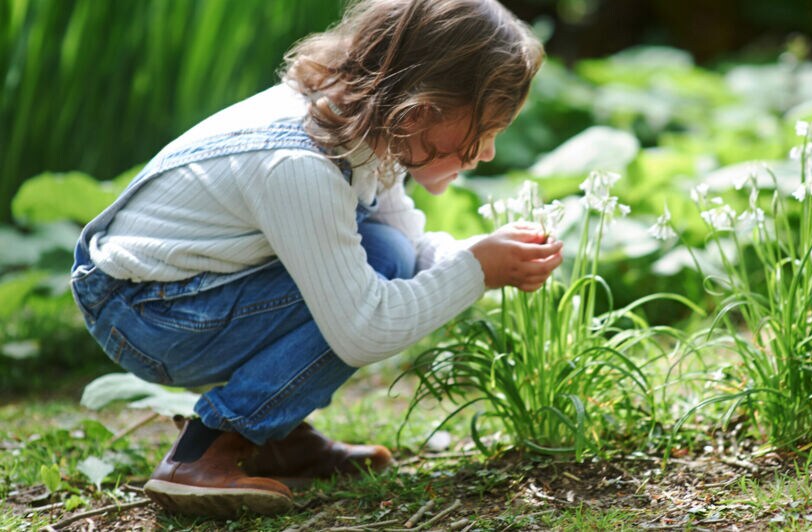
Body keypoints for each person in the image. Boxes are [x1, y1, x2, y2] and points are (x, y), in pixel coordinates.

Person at [70, 0, 561, 517]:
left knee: (385, 250)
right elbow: (364, 327)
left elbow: (406, 244)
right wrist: (478, 269)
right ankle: (207, 448)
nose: (487, 153)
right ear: (422, 109)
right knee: (373, 276)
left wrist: (479, 254)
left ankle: (276, 437)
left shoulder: (359, 122)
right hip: (148, 313)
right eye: (483, 131)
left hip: (178, 292)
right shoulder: (299, 162)